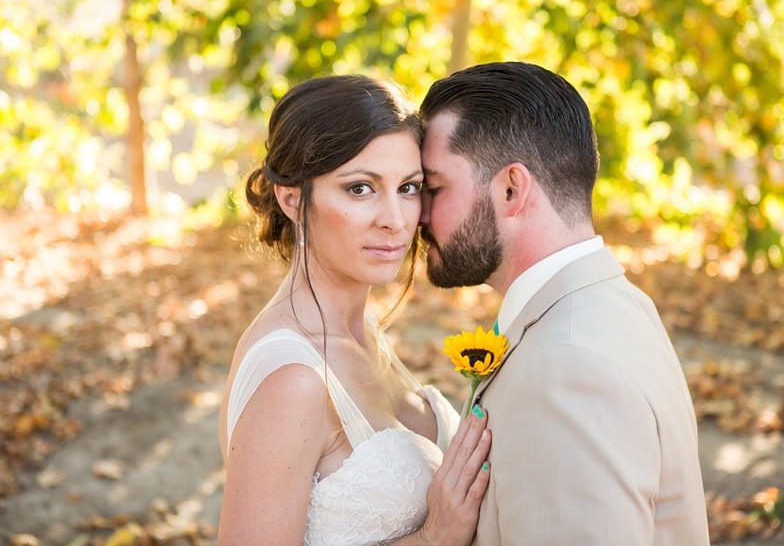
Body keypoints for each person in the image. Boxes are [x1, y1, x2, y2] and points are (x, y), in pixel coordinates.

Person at [418, 61, 710, 545]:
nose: (417, 215)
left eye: (433, 188)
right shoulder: (615, 303)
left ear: (511, 188)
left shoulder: (566, 367)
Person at [217, 75, 491, 546]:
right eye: (360, 188)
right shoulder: (292, 378)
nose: (395, 218)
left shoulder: (361, 330)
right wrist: (433, 538)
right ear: (292, 199)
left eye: (409, 187)